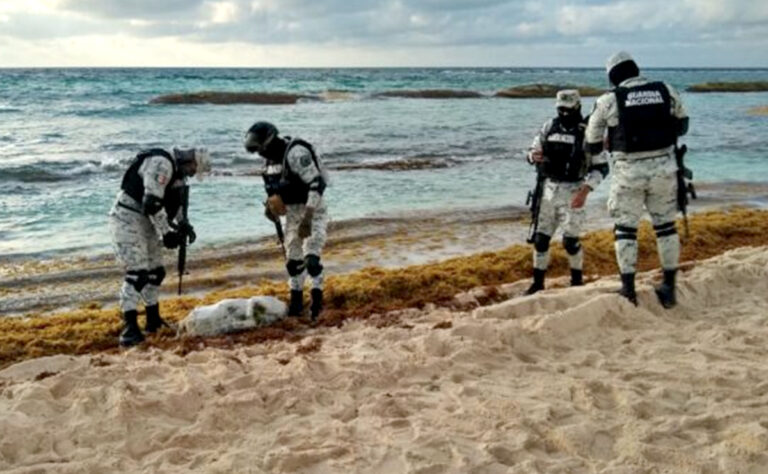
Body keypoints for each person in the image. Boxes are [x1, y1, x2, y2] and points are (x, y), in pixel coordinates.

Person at [585, 51, 689, 307]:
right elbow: (683, 126)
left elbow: (592, 144)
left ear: (613, 76)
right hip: (664, 169)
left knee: (625, 230)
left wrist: (609, 140)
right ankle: (669, 288)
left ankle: (628, 290)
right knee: (666, 227)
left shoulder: (608, 100)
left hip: (628, 173)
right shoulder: (665, 90)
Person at [108, 147, 210, 347]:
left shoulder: (177, 174)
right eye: (193, 170)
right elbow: (152, 202)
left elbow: (175, 202)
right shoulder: (161, 164)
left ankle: (152, 319)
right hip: (127, 218)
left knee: (156, 272)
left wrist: (184, 224)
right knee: (137, 274)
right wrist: (166, 233)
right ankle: (129, 326)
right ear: (191, 161)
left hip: (147, 221)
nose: (192, 174)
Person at [525, 90, 609, 295]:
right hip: (547, 190)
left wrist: (585, 191)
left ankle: (576, 281)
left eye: (568, 110)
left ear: (577, 107)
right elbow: (532, 150)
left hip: (574, 191)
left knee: (570, 242)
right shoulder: (549, 126)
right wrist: (532, 156)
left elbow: (601, 168)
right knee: (540, 240)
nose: (564, 113)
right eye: (560, 109)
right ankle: (537, 284)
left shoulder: (588, 132)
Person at [244, 121, 329, 320]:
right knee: (293, 262)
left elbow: (317, 183)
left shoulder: (296, 153)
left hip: (313, 207)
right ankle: (296, 303)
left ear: (270, 141)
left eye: (261, 149)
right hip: (291, 213)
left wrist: (308, 217)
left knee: (311, 260)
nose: (260, 154)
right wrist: (270, 210)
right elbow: (273, 193)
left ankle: (317, 301)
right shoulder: (269, 164)